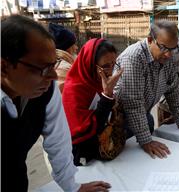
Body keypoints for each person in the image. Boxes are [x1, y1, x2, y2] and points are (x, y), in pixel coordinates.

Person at [1, 15, 110, 192]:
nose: (53, 77)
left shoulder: (46, 89)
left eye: (54, 65)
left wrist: (72, 187)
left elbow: (58, 139)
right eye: (43, 68)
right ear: (4, 67)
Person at [114, 20, 179, 159]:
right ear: (150, 40)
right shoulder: (134, 58)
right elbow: (133, 104)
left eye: (173, 49)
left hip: (143, 116)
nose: (169, 55)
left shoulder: (166, 58)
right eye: (164, 48)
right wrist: (146, 141)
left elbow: (173, 89)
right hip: (121, 121)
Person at [62, 38, 124, 166]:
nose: (111, 70)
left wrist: (110, 96)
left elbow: (109, 117)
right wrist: (107, 96)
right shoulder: (74, 89)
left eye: (114, 64)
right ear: (89, 63)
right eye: (106, 66)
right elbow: (84, 130)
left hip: (103, 141)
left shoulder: (98, 81)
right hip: (82, 149)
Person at [48, 23, 78, 92]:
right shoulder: (65, 69)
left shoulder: (59, 63)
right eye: (74, 44)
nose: (76, 47)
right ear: (67, 47)